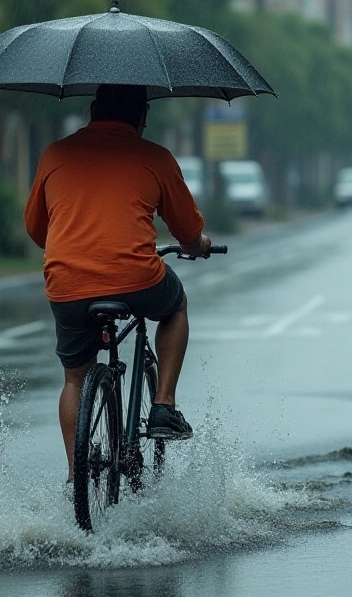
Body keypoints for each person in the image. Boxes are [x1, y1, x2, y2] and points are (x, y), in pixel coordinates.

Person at [24, 83, 212, 482]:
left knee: (75, 378)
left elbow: (36, 228)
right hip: (137, 279)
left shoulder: (56, 153)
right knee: (175, 307)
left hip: (67, 281)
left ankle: (77, 478)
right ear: (142, 116)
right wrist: (198, 246)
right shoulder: (155, 157)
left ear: (93, 109)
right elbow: (187, 232)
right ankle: (163, 404)